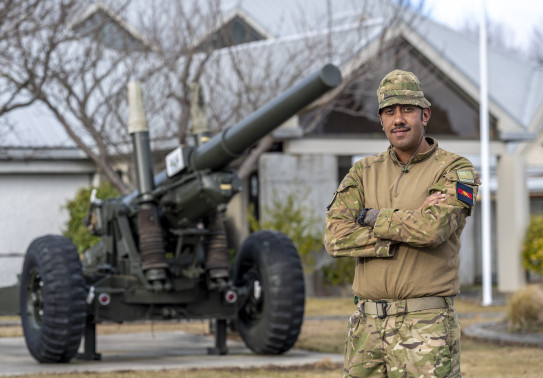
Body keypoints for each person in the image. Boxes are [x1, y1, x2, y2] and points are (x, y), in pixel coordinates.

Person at [324, 69, 480, 377]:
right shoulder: (363, 172)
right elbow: (335, 237)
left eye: (407, 109)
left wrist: (369, 217)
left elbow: (433, 229)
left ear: (425, 115)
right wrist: (402, 230)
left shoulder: (456, 169)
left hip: (426, 327)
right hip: (366, 326)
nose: (398, 119)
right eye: (389, 111)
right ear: (381, 119)